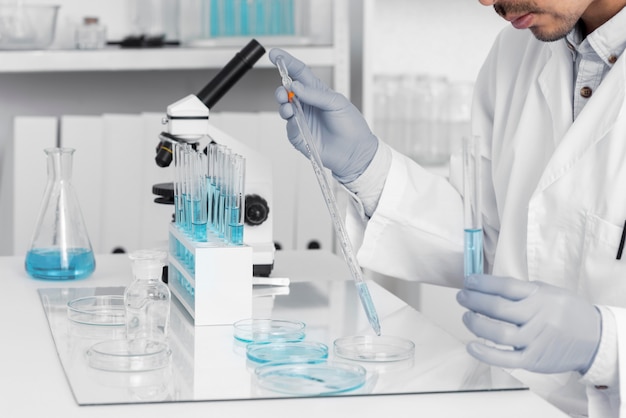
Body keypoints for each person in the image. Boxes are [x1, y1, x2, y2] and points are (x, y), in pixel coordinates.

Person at [268, 0, 626, 417]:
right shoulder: (516, 53)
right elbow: (490, 239)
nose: (485, 0)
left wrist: (605, 343)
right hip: (506, 400)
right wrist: (367, 168)